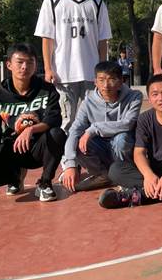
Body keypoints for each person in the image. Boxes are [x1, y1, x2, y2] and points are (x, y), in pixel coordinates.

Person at [99, 74, 162, 209]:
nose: (161, 98)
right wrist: (148, 175)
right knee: (115, 170)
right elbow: (139, 152)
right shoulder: (144, 119)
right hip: (154, 168)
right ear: (149, 98)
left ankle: (138, 195)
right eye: (155, 94)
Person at [0, 43, 66, 202]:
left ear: (35, 65)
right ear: (9, 65)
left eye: (30, 62)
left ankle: (45, 183)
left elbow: (54, 120)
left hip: (39, 148)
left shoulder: (47, 90)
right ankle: (15, 177)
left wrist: (30, 130)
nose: (25, 67)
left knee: (57, 134)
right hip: (13, 149)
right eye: (20, 62)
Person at [34, 0, 112, 132]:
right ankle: (66, 151)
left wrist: (102, 70)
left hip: (91, 73)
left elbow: (103, 39)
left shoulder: (97, 2)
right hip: (63, 73)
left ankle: (89, 150)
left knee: (92, 121)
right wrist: (48, 68)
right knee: (66, 121)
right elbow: (47, 38)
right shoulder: (52, 1)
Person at [60, 61, 143, 192]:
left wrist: (93, 129)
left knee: (121, 139)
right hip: (101, 146)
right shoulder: (88, 102)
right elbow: (75, 130)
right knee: (79, 142)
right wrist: (70, 164)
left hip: (123, 146)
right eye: (101, 80)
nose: (106, 85)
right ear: (95, 82)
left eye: (112, 79)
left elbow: (128, 123)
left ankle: (124, 175)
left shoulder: (134, 97)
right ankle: (103, 176)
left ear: (121, 81)